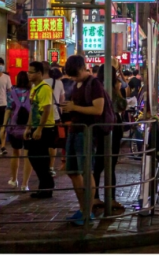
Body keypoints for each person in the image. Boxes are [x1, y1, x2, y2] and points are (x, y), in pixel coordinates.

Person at [61, 55, 104, 225]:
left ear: (83, 67)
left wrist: (74, 107)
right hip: (74, 130)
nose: (74, 79)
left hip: (86, 133)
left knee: (86, 172)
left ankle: (88, 212)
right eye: (72, 76)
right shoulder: (77, 84)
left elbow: (98, 109)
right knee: (72, 172)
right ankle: (82, 209)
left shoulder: (94, 84)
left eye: (76, 75)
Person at [94, 65, 126, 210]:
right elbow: (122, 105)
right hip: (113, 127)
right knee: (110, 163)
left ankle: (95, 197)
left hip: (98, 127)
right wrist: (118, 91)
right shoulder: (111, 89)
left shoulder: (96, 86)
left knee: (98, 165)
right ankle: (110, 199)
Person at [24, 62, 55, 199]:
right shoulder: (34, 88)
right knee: (34, 156)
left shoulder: (45, 88)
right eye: (28, 72)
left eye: (31, 72)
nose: (28, 74)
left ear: (39, 73)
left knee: (39, 157)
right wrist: (29, 127)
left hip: (45, 128)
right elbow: (33, 109)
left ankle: (47, 187)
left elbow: (46, 109)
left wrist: (39, 129)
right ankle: (45, 186)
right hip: (36, 127)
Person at [3, 71, 33, 191]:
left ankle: (14, 179)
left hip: (14, 128)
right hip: (28, 127)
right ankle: (25, 184)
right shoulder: (32, 92)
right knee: (27, 155)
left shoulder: (12, 93)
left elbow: (8, 109)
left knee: (15, 152)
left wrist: (4, 126)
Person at [43, 61, 65, 178]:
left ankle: (44, 167)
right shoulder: (59, 83)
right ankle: (51, 167)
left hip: (42, 117)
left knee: (43, 144)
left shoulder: (39, 83)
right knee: (53, 144)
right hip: (55, 116)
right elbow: (61, 101)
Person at [0, 57, 12, 155]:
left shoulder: (6, 77)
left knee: (3, 126)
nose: (0, 66)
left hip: (3, 105)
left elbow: (10, 92)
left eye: (2, 64)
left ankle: (3, 146)